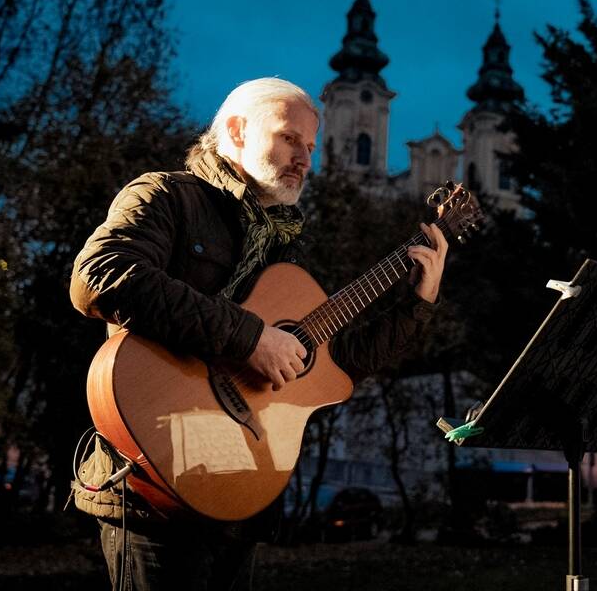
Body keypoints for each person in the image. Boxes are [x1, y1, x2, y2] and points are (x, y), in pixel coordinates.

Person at [68, 77, 448, 590]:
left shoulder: (282, 245)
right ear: (237, 130)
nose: (305, 159)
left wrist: (419, 301)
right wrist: (251, 339)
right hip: (156, 482)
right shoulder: (167, 195)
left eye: (310, 146)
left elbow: (334, 367)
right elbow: (101, 275)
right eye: (290, 138)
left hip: (242, 485)